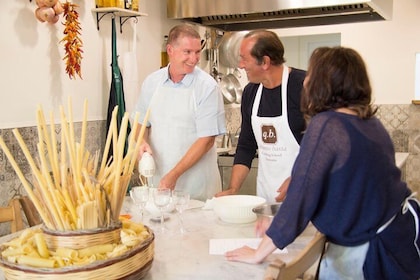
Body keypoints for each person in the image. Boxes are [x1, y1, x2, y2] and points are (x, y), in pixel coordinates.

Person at [225, 46, 420, 279]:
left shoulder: (327, 125)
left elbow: (302, 195)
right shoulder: (368, 122)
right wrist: (277, 228)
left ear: (323, 82)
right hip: (397, 235)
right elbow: (336, 189)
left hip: (368, 251)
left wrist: (259, 253)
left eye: (312, 75)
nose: (306, 81)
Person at [132, 24, 226, 201]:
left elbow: (206, 140)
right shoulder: (152, 82)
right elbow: (140, 122)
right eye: (187, 52)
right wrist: (140, 141)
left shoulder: (207, 87)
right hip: (159, 185)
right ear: (170, 50)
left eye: (197, 52)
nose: (194, 58)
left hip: (197, 189)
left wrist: (173, 175)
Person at [215, 30, 306, 203]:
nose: (241, 65)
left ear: (265, 62)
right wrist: (233, 189)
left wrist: (299, 177)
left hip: (305, 197)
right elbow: (246, 146)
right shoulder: (251, 92)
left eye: (244, 59)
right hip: (267, 198)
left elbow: (324, 147)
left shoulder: (305, 87)